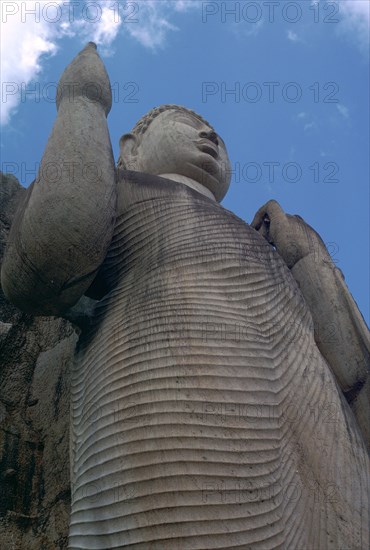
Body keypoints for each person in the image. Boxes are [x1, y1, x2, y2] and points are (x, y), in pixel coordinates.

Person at [2, 43, 369, 550]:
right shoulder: (125, 188)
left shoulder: (269, 244)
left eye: (217, 132)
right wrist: (82, 107)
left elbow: (351, 373)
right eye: (184, 120)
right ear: (132, 145)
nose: (210, 135)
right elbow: (42, 267)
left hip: (316, 427)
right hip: (179, 396)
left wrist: (310, 260)